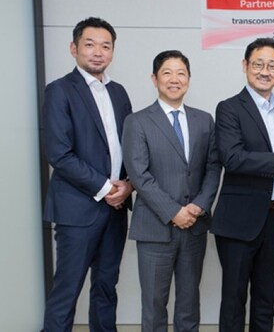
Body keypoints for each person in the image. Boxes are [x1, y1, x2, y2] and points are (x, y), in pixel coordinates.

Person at [42, 17, 133, 332]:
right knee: (67, 291)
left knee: (106, 288)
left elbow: (129, 147)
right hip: (78, 210)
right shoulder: (59, 91)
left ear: (112, 52)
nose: (98, 52)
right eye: (90, 44)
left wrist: (128, 185)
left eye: (105, 46)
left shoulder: (119, 93)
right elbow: (60, 154)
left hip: (116, 210)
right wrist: (107, 188)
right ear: (74, 48)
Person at [122, 50, 221, 332]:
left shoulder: (204, 120)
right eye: (167, 73)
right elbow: (139, 175)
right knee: (154, 306)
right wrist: (173, 211)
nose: (174, 79)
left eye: (181, 73)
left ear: (189, 79)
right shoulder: (137, 121)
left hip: (194, 226)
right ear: (154, 79)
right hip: (155, 228)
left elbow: (213, 167)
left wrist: (199, 206)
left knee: (189, 305)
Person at [210, 38, 274, 332]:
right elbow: (233, 158)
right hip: (238, 222)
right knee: (234, 302)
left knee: (265, 302)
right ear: (245, 65)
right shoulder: (229, 108)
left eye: (272, 66)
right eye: (258, 64)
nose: (265, 71)